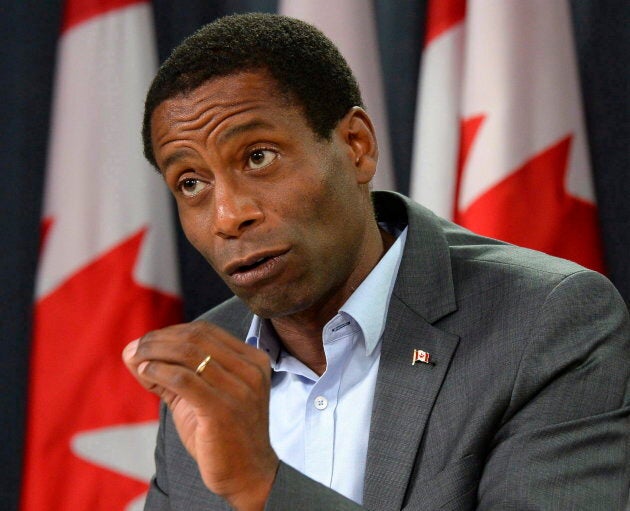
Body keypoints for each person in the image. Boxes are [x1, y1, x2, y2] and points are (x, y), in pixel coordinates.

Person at [122, 13, 630, 511]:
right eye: (191, 183)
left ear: (356, 146)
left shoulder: (545, 323)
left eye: (259, 156)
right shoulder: (212, 369)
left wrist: (263, 486)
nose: (229, 216)